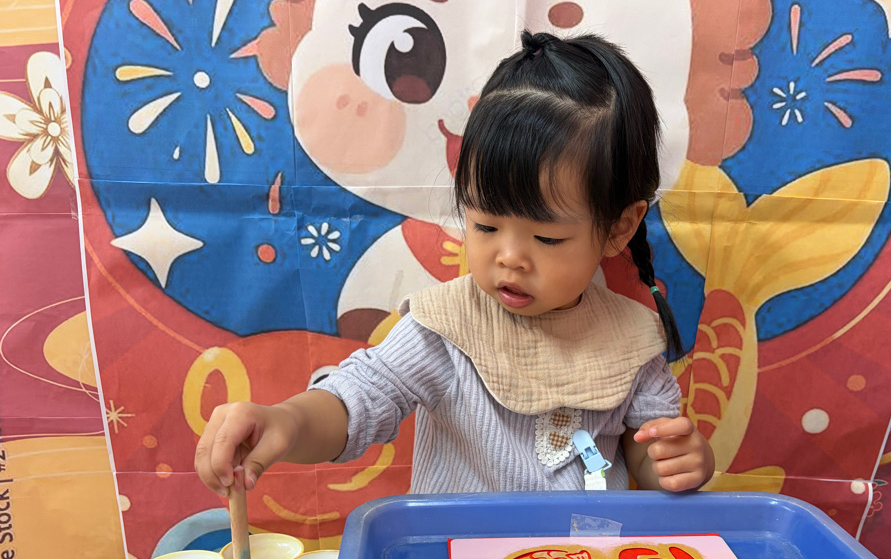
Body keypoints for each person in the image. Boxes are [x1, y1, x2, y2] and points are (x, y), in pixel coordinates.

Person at [194, 30, 715, 497]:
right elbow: (356, 400)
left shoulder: (632, 339)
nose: (509, 257)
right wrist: (287, 422)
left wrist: (675, 463)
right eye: (485, 226)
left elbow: (646, 457)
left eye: (547, 237)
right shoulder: (443, 329)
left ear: (620, 227)